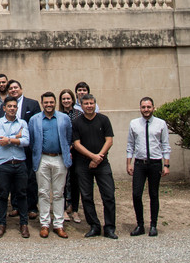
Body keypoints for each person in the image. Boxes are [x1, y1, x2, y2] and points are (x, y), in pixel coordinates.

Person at [72, 93, 117, 239]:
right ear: (81, 106)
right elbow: (76, 144)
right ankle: (94, 226)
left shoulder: (103, 120)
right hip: (83, 165)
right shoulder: (77, 122)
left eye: (91, 103)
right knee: (86, 197)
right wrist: (92, 157)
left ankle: (109, 227)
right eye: (86, 104)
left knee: (108, 195)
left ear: (95, 104)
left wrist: (98, 158)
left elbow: (109, 141)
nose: (89, 106)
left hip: (102, 164)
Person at [28, 92, 72, 239]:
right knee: (43, 192)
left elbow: (68, 137)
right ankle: (44, 224)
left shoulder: (64, 118)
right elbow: (32, 141)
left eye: (51, 102)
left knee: (59, 193)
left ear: (55, 103)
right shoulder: (34, 120)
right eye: (46, 102)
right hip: (42, 159)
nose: (49, 105)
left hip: (59, 158)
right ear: (42, 103)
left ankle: (59, 224)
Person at [126, 96, 171, 237]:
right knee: (136, 194)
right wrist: (128, 163)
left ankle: (153, 225)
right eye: (143, 107)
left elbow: (165, 145)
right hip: (140, 163)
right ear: (140, 108)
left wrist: (166, 164)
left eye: (148, 107)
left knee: (154, 194)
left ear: (153, 108)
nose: (146, 109)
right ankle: (140, 225)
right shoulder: (134, 123)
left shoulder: (161, 124)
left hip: (155, 163)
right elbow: (130, 145)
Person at [0, 95, 30, 239]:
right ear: (4, 108)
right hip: (4, 164)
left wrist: (10, 139)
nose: (12, 109)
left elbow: (26, 141)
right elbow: (1, 140)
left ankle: (24, 223)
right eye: (9, 106)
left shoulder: (23, 123)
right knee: (2, 195)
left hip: (20, 163)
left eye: (14, 106)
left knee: (22, 194)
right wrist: (16, 137)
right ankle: (1, 224)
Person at [6, 79, 41, 219]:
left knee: (30, 178)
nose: (13, 90)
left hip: (28, 147)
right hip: (12, 147)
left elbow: (37, 126)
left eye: (15, 87)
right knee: (13, 178)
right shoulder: (5, 105)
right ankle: (15, 206)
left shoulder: (32, 104)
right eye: (11, 88)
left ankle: (32, 207)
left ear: (21, 89)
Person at [58, 88, 82, 224]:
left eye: (68, 98)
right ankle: (63, 209)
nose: (66, 101)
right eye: (64, 99)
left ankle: (74, 209)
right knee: (62, 181)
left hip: (76, 151)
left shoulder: (79, 114)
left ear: (72, 99)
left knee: (74, 181)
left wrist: (72, 146)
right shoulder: (58, 114)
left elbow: (80, 132)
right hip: (62, 152)